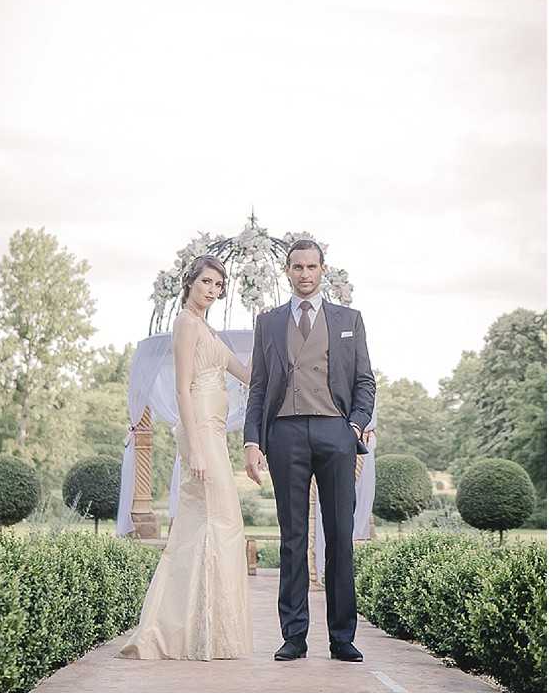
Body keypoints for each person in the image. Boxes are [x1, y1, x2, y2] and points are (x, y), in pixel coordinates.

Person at [244, 239, 375, 663]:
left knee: (339, 535)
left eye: (311, 267)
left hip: (335, 433)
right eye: (297, 267)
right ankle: (294, 636)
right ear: (287, 271)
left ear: (323, 270)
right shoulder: (268, 322)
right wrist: (252, 440)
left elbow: (365, 381)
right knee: (293, 537)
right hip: (285, 434)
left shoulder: (348, 319)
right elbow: (259, 386)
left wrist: (353, 424)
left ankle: (342, 637)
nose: (305, 274)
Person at [119, 255, 253, 661]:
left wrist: (270, 335)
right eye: (206, 282)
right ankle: (190, 633)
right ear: (190, 282)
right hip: (198, 435)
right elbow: (181, 389)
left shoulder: (208, 329)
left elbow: (247, 374)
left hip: (214, 433)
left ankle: (206, 632)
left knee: (211, 527)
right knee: (219, 522)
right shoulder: (185, 323)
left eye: (218, 285)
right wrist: (194, 447)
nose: (212, 290)